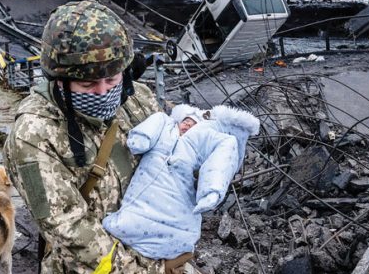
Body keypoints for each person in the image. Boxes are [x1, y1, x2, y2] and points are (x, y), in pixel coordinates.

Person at [4, 0, 221, 274]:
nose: (103, 91)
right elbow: (71, 231)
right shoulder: (33, 136)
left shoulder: (136, 100)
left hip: (150, 248)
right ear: (59, 80)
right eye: (88, 83)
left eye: (112, 79)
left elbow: (176, 158)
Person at [102, 104, 260, 260]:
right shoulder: (165, 126)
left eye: (193, 124)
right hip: (147, 189)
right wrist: (141, 138)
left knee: (181, 224)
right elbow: (155, 122)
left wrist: (212, 190)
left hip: (178, 191)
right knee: (133, 217)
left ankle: (172, 248)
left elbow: (222, 156)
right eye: (185, 120)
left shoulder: (199, 140)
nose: (187, 125)